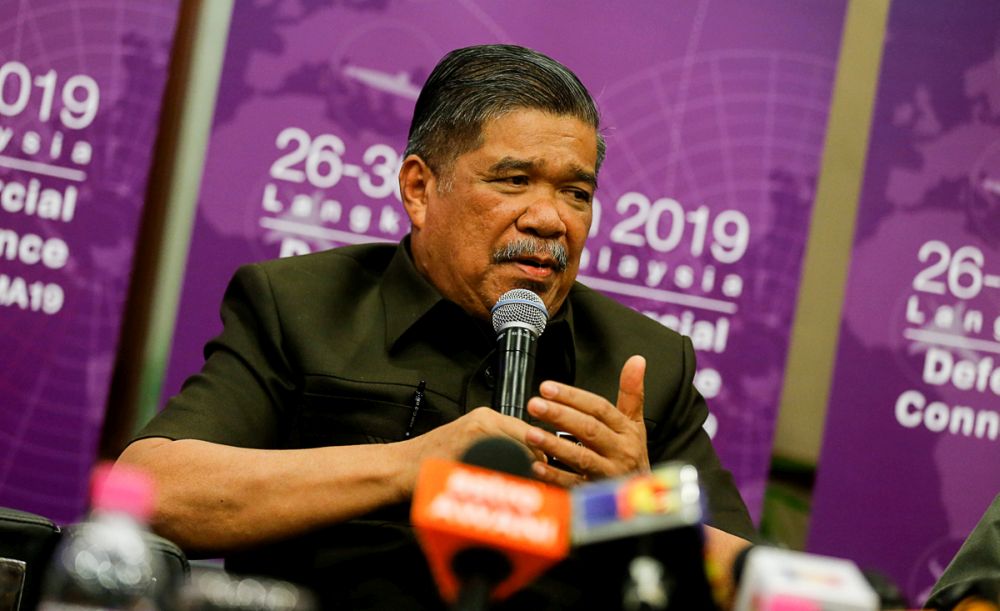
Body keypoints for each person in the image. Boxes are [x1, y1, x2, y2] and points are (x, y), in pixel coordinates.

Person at [118, 43, 755, 609]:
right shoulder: (300, 306)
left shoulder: (643, 365)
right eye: (514, 181)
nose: (549, 219)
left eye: (576, 193)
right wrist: (411, 466)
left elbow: (755, 584)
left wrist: (638, 508)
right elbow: (148, 489)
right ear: (420, 189)